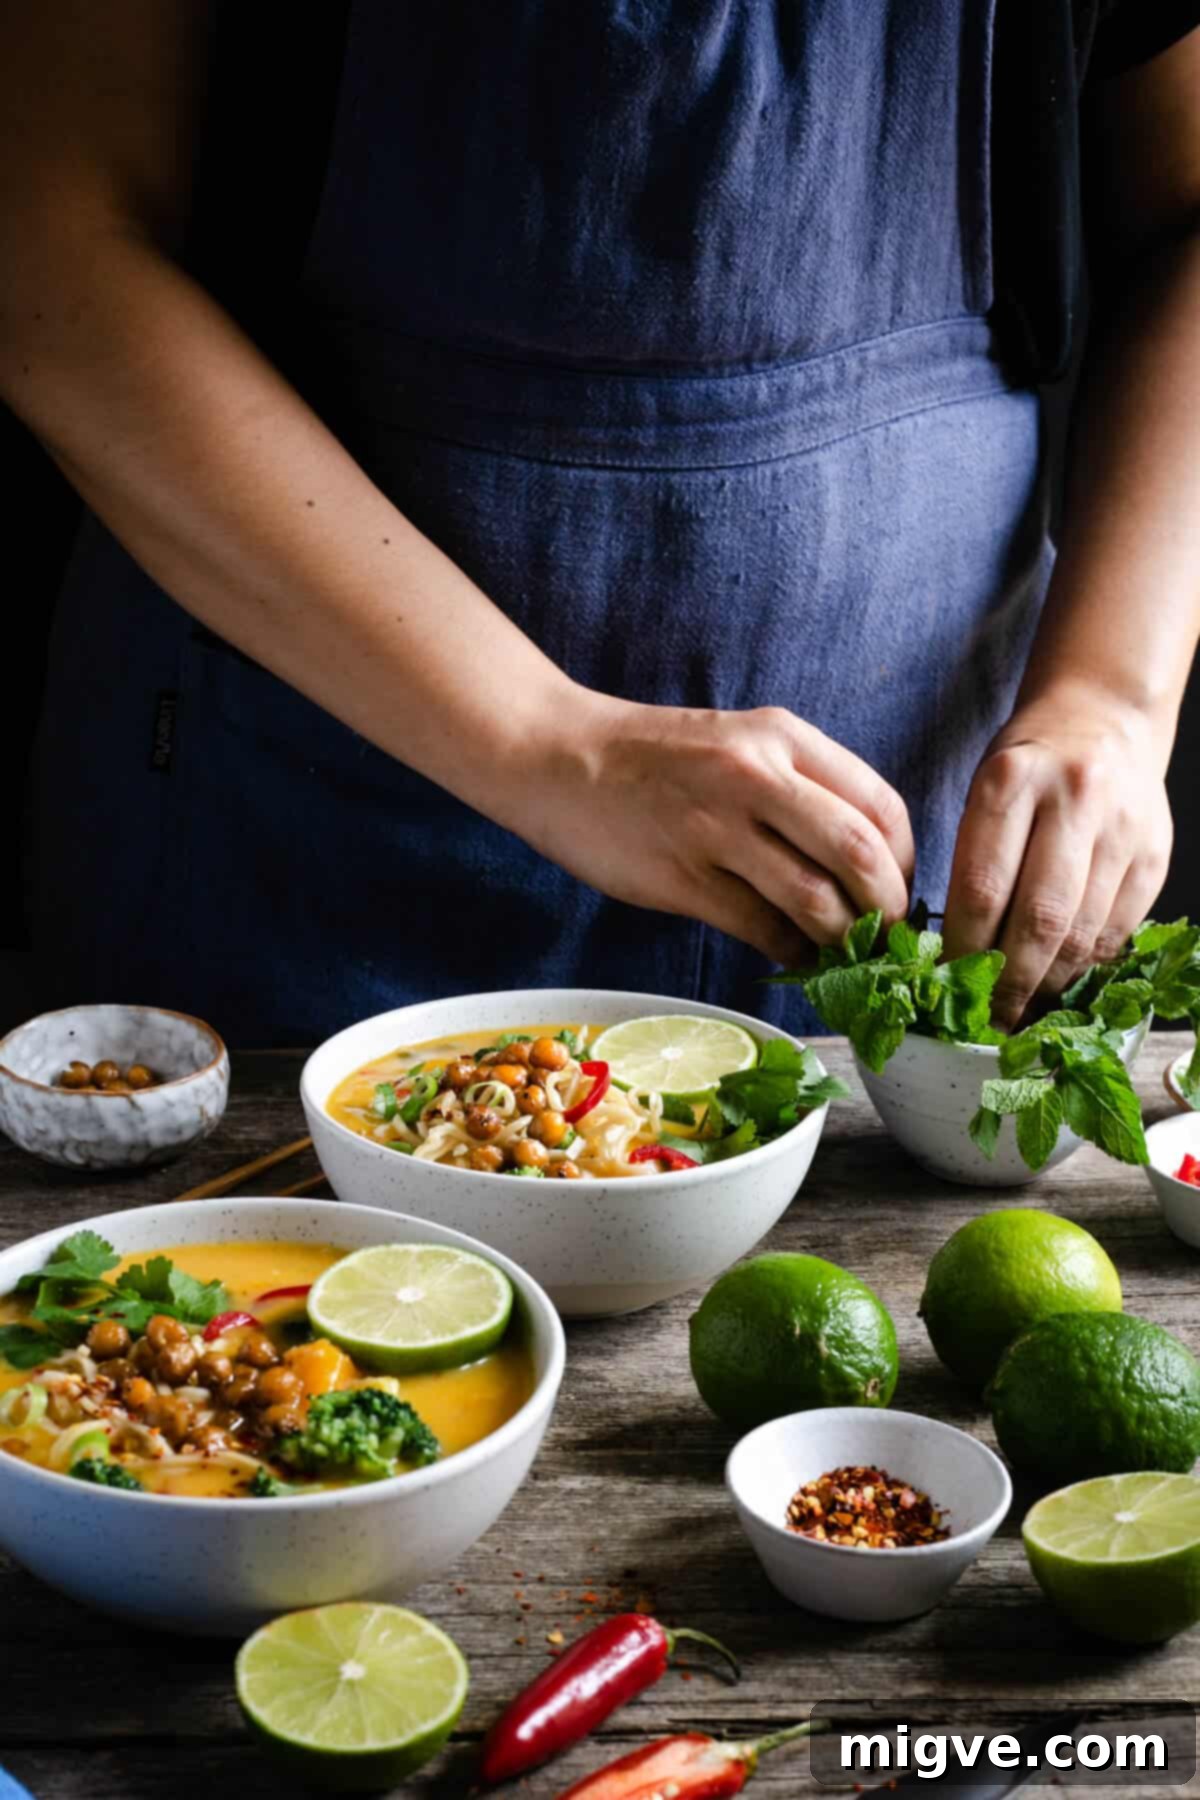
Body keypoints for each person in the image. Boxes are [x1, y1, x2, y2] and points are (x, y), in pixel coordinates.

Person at [2, 2, 1198, 1045]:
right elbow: (53, 254)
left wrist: (1113, 692)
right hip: (300, 837)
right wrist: (544, 742)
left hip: (913, 816)